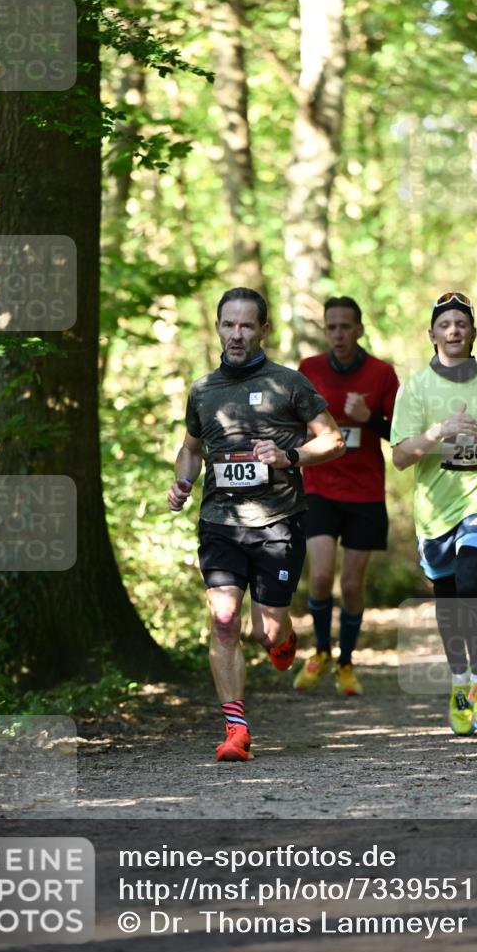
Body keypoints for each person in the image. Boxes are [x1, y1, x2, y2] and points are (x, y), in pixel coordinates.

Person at [167, 287, 345, 762]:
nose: (236, 334)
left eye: (247, 325)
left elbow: (333, 440)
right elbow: (191, 448)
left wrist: (290, 456)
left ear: (263, 330)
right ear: (219, 327)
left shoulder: (289, 384)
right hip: (220, 522)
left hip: (278, 523)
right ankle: (236, 729)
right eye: (229, 324)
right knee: (224, 620)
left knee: (268, 631)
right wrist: (183, 482)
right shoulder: (204, 390)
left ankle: (283, 639)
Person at [390, 291, 477, 735]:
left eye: (461, 324)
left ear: (472, 333)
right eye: (445, 324)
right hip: (434, 509)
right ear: (432, 334)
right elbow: (401, 457)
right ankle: (459, 686)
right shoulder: (414, 387)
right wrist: (438, 432)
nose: (453, 331)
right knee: (447, 599)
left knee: (471, 580)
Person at [292, 296, 399, 696]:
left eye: (345, 327)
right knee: (320, 576)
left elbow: (400, 435)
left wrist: (368, 416)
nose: (338, 334)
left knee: (352, 586)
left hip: (366, 492)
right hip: (319, 486)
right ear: (325, 330)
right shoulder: (309, 370)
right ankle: (320, 651)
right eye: (331, 327)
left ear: (359, 330)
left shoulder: (382, 374)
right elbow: (293, 422)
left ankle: (347, 662)